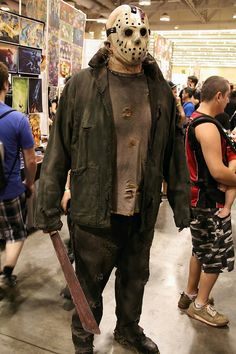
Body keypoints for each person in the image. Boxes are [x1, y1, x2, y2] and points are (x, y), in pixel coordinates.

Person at [36, 5, 190, 354]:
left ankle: (128, 329)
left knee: (135, 280)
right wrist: (46, 205)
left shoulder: (161, 91)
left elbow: (173, 151)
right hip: (93, 212)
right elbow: (59, 150)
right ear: (109, 38)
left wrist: (182, 203)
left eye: (143, 33)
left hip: (142, 211)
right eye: (128, 32)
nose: (136, 41)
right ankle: (83, 339)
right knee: (88, 287)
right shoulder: (81, 87)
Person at [178, 76, 236, 327]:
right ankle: (200, 306)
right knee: (216, 253)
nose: (229, 101)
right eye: (228, 96)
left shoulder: (194, 122)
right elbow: (217, 171)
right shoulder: (208, 126)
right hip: (209, 201)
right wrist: (231, 176)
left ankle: (190, 294)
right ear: (220, 96)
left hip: (197, 199)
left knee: (200, 249)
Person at [0, 62, 36, 299]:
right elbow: (31, 161)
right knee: (15, 233)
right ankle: (6, 275)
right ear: (6, 84)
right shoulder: (17, 119)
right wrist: (29, 184)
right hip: (9, 190)